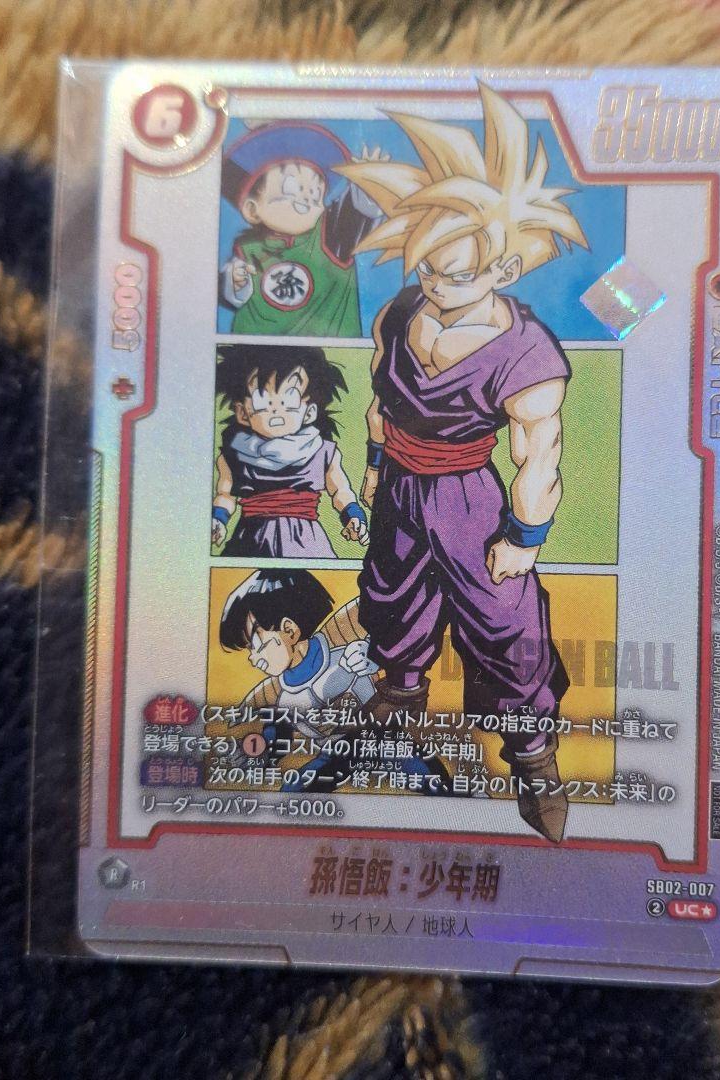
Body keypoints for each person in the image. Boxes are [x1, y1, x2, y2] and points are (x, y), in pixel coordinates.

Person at [335, 84, 589, 841]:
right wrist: (375, 467)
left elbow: (538, 456)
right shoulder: (399, 314)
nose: (437, 288)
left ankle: (534, 759)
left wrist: (524, 538)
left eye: (457, 275)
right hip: (401, 486)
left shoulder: (527, 355)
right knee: (391, 596)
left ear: (504, 268)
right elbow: (381, 401)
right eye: (427, 272)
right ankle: (400, 693)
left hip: (470, 497)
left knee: (504, 621)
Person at [218, 571, 448, 793]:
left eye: (256, 646)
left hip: (380, 737)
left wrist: (376, 654)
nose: (253, 658)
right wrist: (260, 751)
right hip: (337, 754)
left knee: (436, 782)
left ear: (289, 630)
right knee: (294, 788)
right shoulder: (280, 695)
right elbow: (277, 733)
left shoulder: (341, 645)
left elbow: (396, 620)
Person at [219, 121, 388, 336]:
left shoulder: (329, 237)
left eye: (316, 193)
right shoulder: (246, 249)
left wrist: (369, 188)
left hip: (326, 350)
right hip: (254, 349)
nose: (307, 199)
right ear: (252, 210)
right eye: (293, 189)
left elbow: (354, 213)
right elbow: (229, 295)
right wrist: (235, 282)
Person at [211, 344, 368, 557]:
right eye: (262, 399)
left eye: (289, 398)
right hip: (250, 541)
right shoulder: (233, 455)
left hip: (307, 544)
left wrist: (354, 516)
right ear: (242, 412)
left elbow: (340, 491)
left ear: (310, 411)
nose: (276, 408)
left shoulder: (323, 452)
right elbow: (225, 494)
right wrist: (218, 520)